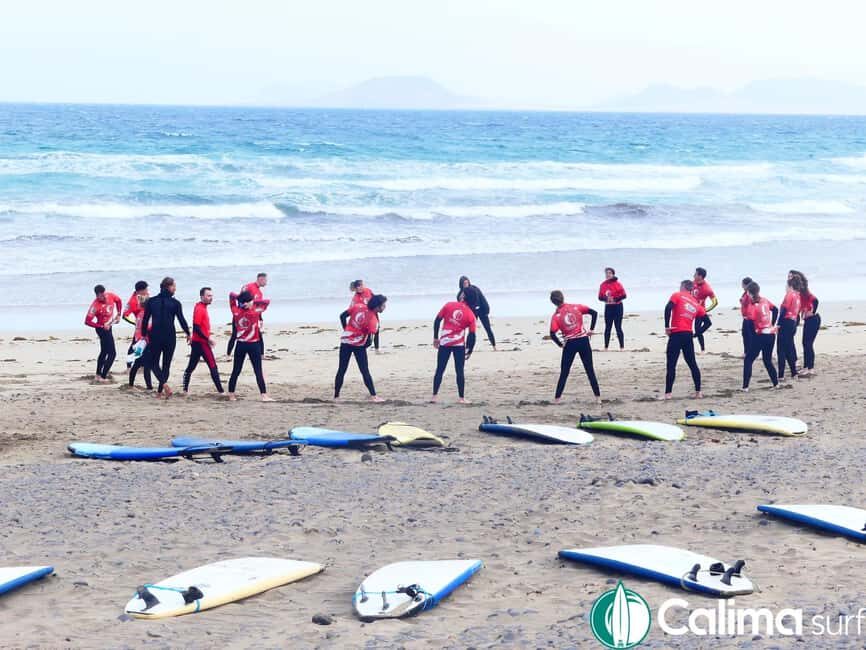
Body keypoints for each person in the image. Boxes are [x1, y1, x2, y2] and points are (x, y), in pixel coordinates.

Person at [140, 277, 190, 398]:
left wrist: (143, 335)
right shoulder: (175, 303)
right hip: (170, 337)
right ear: (168, 287)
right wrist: (188, 333)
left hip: (155, 336)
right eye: (174, 286)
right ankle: (160, 390)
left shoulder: (151, 301)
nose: (175, 289)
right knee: (166, 364)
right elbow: (181, 320)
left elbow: (145, 320)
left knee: (153, 363)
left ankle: (163, 387)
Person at [549, 290, 601, 404]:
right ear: (563, 297)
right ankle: (598, 398)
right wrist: (591, 329)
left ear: (553, 302)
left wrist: (560, 344)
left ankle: (557, 399)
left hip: (570, 344)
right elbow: (594, 313)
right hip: (583, 341)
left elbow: (552, 334)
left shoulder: (556, 316)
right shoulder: (576, 307)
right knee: (590, 370)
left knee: (564, 372)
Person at [335, 294, 387, 402]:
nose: (385, 307)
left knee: (341, 370)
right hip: (358, 345)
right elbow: (370, 340)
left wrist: (347, 329)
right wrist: (365, 344)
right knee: (364, 371)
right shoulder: (373, 320)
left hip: (345, 341)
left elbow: (342, 316)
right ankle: (374, 396)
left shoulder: (358, 306)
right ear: (377, 307)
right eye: (383, 305)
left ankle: (336, 397)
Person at [227, 290, 272, 401]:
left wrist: (240, 298)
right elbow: (267, 302)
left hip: (241, 344)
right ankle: (264, 395)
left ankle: (231, 395)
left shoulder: (236, 311)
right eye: (249, 301)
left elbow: (231, 296)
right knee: (257, 371)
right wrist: (253, 301)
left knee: (236, 371)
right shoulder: (255, 311)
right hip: (253, 345)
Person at [432, 293, 477, 403]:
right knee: (459, 371)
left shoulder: (449, 305)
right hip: (459, 345)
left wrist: (435, 337)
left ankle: (434, 396)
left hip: (445, 342)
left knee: (440, 369)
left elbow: (437, 320)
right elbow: (472, 335)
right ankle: (461, 398)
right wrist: (469, 350)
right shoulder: (471, 315)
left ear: (463, 298)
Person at [664, 280, 705, 399]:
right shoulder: (696, 303)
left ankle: (668, 394)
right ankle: (698, 392)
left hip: (676, 333)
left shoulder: (677, 295)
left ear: (682, 287)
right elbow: (708, 322)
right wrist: (697, 333)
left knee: (671, 364)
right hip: (688, 335)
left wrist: (667, 326)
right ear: (691, 289)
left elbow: (668, 308)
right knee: (692, 364)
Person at [182, 287, 224, 395]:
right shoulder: (200, 309)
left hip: (197, 342)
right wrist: (208, 339)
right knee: (213, 365)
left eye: (211, 296)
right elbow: (196, 327)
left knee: (191, 366)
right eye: (208, 296)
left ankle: (185, 390)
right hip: (201, 343)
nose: (211, 298)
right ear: (202, 297)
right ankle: (221, 392)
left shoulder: (202, 307)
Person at [742, 281, 779, 391]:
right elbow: (775, 309)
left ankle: (745, 387)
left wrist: (752, 339)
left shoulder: (752, 306)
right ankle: (776, 384)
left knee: (748, 360)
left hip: (761, 335)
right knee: (767, 360)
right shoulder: (765, 300)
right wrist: (772, 323)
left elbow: (750, 323)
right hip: (771, 334)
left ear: (749, 293)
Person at [84, 285, 122, 382]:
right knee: (112, 353)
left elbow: (119, 301)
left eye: (104, 294)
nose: (104, 297)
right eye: (101, 296)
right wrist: (101, 326)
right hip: (102, 329)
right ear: (97, 296)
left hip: (109, 326)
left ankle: (98, 375)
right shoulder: (95, 306)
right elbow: (87, 321)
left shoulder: (110, 295)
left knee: (104, 351)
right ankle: (103, 376)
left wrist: (118, 314)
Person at [227, 272, 268, 356]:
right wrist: (241, 311)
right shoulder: (248, 287)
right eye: (265, 280)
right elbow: (240, 298)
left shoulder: (260, 293)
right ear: (261, 279)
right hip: (240, 315)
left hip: (253, 316)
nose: (266, 283)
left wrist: (260, 318)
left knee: (258, 334)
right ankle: (228, 354)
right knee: (235, 335)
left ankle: (261, 355)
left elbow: (259, 307)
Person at [123, 280, 152, 390]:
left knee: (139, 348)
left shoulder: (146, 296)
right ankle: (129, 367)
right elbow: (125, 315)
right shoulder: (132, 301)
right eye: (146, 289)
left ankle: (138, 366)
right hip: (140, 327)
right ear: (141, 290)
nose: (148, 291)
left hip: (145, 324)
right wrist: (135, 323)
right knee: (134, 345)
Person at [458, 276, 495, 350]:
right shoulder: (461, 293)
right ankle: (468, 347)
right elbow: (460, 304)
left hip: (482, 309)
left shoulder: (474, 289)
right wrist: (461, 299)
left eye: (467, 283)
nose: (466, 285)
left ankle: (494, 346)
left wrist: (486, 310)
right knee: (471, 330)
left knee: (487, 328)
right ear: (461, 284)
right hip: (473, 311)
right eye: (464, 283)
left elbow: (478, 301)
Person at [777, 276, 802, 381]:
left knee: (781, 350)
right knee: (788, 349)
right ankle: (794, 373)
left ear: (790, 285)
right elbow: (797, 313)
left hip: (786, 323)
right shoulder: (798, 296)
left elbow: (784, 309)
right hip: (792, 323)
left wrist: (778, 323)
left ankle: (781, 375)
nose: (785, 287)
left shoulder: (789, 295)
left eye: (786, 285)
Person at [598, 267, 626, 350]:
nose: (608, 275)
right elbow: (600, 297)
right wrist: (606, 299)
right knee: (607, 327)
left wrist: (615, 299)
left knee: (618, 327)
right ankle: (606, 347)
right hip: (608, 307)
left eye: (609, 273)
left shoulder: (618, 284)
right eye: (606, 273)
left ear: (613, 274)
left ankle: (622, 347)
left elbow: (624, 295)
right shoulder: (603, 285)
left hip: (618, 307)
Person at [349, 279, 380, 351]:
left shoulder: (368, 290)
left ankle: (377, 349)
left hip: (374, 313)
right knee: (368, 336)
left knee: (377, 330)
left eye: (363, 285)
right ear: (357, 288)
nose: (363, 287)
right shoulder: (356, 297)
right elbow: (352, 308)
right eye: (361, 286)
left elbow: (374, 298)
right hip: (365, 317)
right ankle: (360, 348)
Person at [691, 267, 717, 352]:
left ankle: (702, 349)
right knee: (685, 328)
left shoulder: (707, 289)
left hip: (699, 311)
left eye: (695, 274)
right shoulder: (693, 283)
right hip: (690, 309)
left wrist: (705, 310)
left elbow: (715, 302)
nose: (693, 275)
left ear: (700, 276)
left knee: (702, 327)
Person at [799, 275, 820, 376]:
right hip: (808, 321)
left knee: (808, 344)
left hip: (813, 320)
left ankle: (810, 368)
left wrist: (813, 311)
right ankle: (806, 366)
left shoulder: (806, 294)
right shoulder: (800, 295)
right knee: (804, 343)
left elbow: (816, 300)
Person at [739, 277, 753, 357]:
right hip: (745, 317)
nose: (742, 286)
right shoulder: (745, 293)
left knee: (748, 335)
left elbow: (749, 304)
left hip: (749, 317)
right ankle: (746, 351)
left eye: (743, 284)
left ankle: (749, 352)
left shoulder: (749, 294)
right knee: (745, 335)